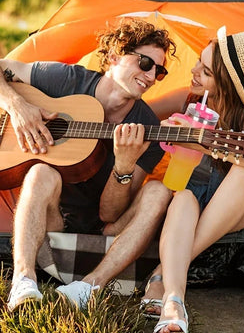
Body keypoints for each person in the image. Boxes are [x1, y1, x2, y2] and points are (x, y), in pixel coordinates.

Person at [0, 18, 176, 311]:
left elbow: (111, 214)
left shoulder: (147, 128)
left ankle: (88, 287)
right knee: (41, 171)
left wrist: (123, 166)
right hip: (51, 219)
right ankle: (23, 279)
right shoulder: (68, 81)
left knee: (158, 191)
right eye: (145, 63)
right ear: (115, 55)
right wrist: (18, 108)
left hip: (106, 231)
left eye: (159, 70)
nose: (151, 75)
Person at [141, 26, 244, 333]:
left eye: (204, 71)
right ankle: (174, 300)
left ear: (227, 85)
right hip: (194, 195)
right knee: (183, 198)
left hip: (237, 205)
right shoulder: (188, 100)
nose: (193, 71)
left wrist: (213, 146)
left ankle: (161, 271)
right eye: (198, 63)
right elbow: (138, 115)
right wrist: (161, 129)